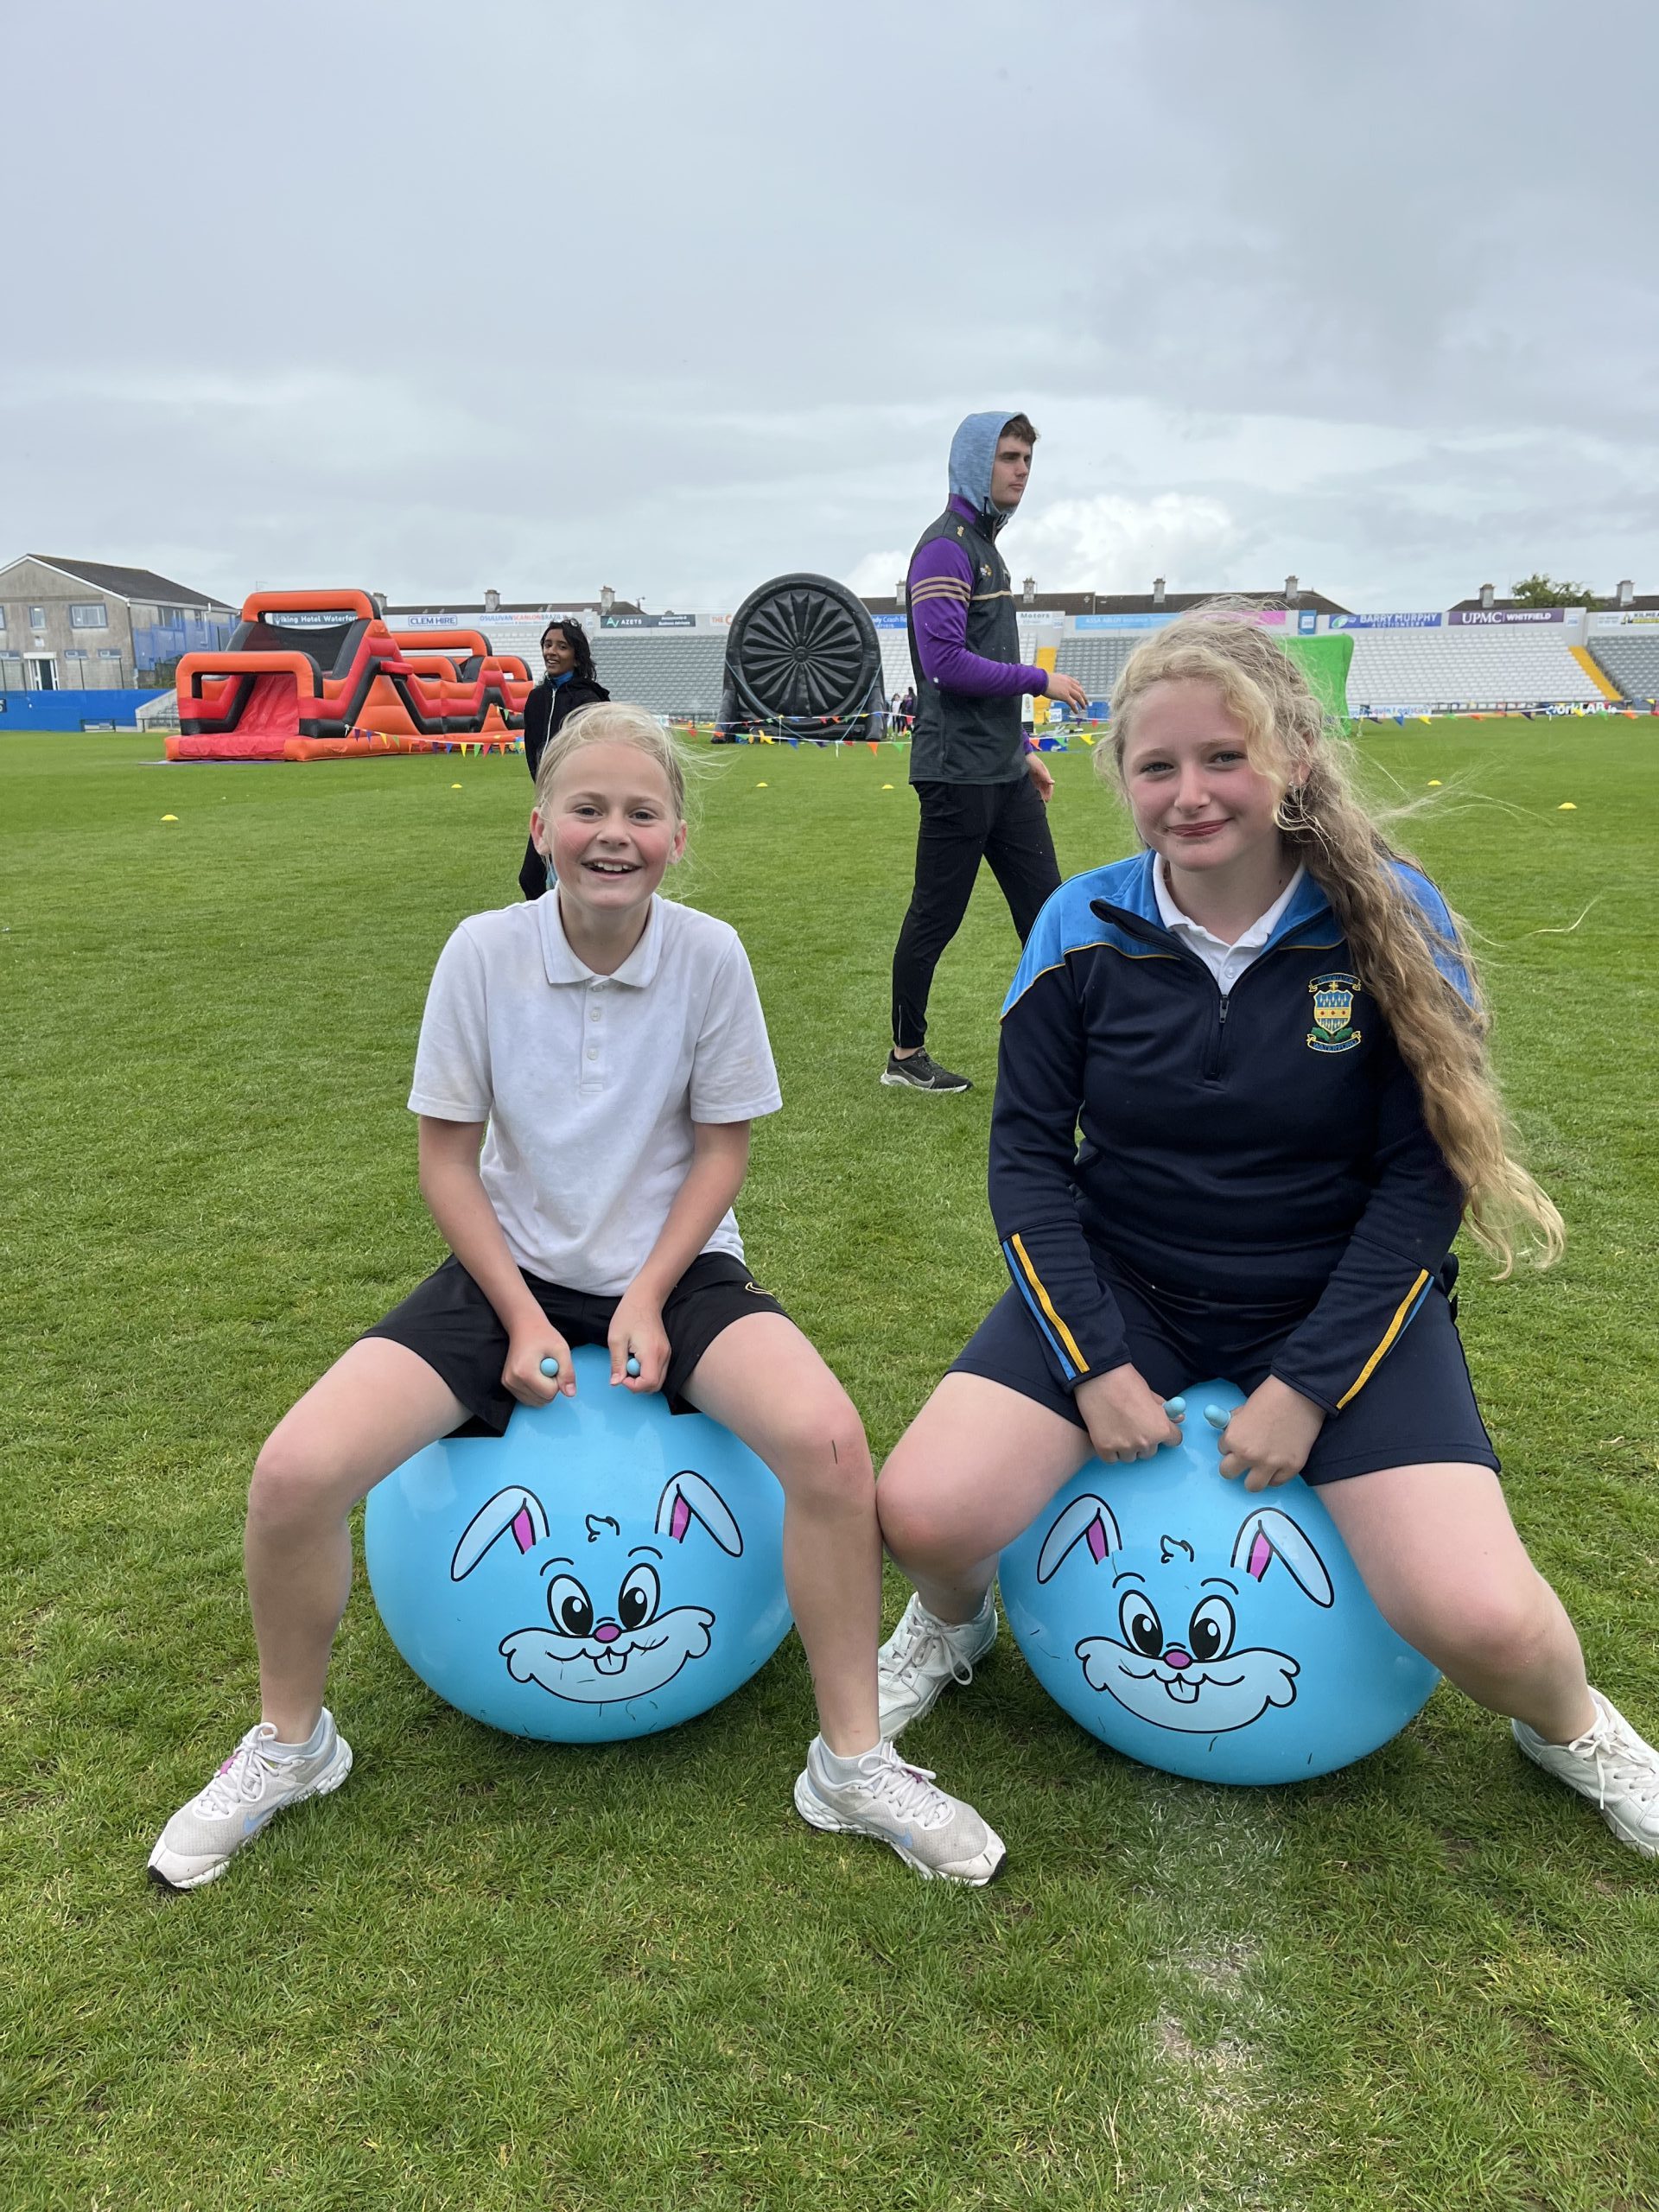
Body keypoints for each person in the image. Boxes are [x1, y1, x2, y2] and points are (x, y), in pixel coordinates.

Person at [150, 702, 1004, 1891]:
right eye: (588, 808)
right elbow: (448, 1163)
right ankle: (293, 1745)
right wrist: (520, 1314)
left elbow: (722, 1154)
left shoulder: (710, 955)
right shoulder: (480, 953)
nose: (615, 833)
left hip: (679, 1269)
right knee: (294, 1473)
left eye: (642, 813)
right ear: (540, 824)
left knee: (827, 1445)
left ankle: (852, 1762)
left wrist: (648, 1296)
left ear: (677, 838)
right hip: (511, 1271)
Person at [873, 613, 1659, 1857]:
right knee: (923, 1513)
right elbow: (1026, 1164)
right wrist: (1095, 1362)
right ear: (1121, 777)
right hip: (1128, 1282)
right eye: (1157, 766)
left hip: (1333, 1297)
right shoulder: (1079, 923)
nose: (1190, 793)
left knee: (1488, 1623)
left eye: (1223, 758)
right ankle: (955, 1624)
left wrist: (1307, 1387)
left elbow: (1422, 1184)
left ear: (1291, 756)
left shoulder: (1389, 915)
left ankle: (1573, 1728)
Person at [884, 410, 1090, 1094]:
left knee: (1047, 910)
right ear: (976, 462)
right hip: (955, 773)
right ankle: (905, 1056)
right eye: (1008, 456)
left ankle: (1074, 1045)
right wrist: (1040, 681)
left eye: (1028, 458)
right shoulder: (945, 549)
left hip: (1000, 769)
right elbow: (945, 665)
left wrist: (1022, 747)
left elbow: (978, 664)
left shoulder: (985, 548)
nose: (1022, 470)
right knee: (935, 918)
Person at [516, 618, 609, 901]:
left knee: (578, 874)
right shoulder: (536, 699)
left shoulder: (589, 700)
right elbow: (533, 751)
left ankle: (589, 922)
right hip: (549, 801)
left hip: (582, 803)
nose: (551, 652)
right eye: (547, 645)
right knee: (531, 878)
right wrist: (545, 788)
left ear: (576, 657)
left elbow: (599, 755)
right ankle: (550, 923)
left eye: (561, 646)